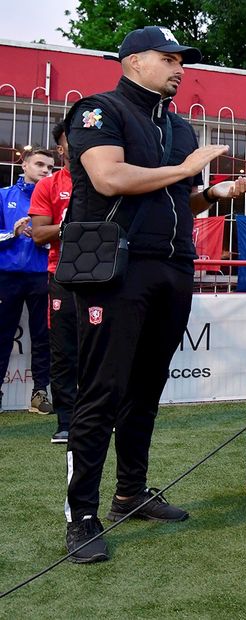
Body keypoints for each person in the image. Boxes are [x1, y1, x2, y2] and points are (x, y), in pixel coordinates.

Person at [63, 26, 246, 563]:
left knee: (145, 388)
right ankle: (81, 516)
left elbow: (175, 199)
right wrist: (189, 171)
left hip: (172, 266)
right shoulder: (99, 111)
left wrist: (209, 193)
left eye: (181, 60)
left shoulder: (180, 127)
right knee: (101, 390)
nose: (179, 68)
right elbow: (108, 179)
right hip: (117, 269)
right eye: (168, 58)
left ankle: (130, 493)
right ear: (132, 61)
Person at [28, 123, 75, 443]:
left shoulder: (106, 181)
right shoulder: (48, 186)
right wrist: (70, 226)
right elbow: (39, 234)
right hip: (61, 275)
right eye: (71, 140)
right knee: (63, 352)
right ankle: (66, 422)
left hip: (105, 277)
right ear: (62, 148)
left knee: (100, 352)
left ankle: (98, 417)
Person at [0, 147, 53, 417]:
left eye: (50, 167)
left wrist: (43, 238)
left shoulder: (53, 200)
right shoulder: (3, 195)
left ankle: (40, 392)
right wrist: (13, 233)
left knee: (42, 337)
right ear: (25, 166)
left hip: (41, 275)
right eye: (40, 165)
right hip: (6, 276)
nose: (45, 170)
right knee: (2, 334)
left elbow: (61, 236)